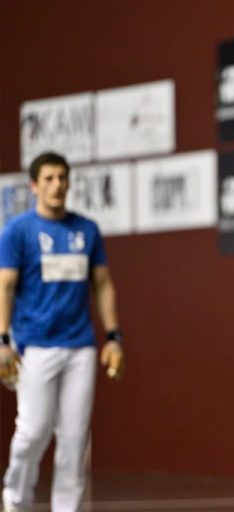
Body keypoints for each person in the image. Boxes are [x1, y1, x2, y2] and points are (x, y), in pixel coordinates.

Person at [0, 152, 125, 512]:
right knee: (33, 431)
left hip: (80, 346)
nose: (57, 185)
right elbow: (5, 286)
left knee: (73, 440)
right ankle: (15, 498)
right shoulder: (18, 231)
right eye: (50, 178)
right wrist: (3, 340)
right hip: (34, 346)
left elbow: (103, 285)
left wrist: (114, 337)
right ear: (35, 185)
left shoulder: (86, 230)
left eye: (62, 178)